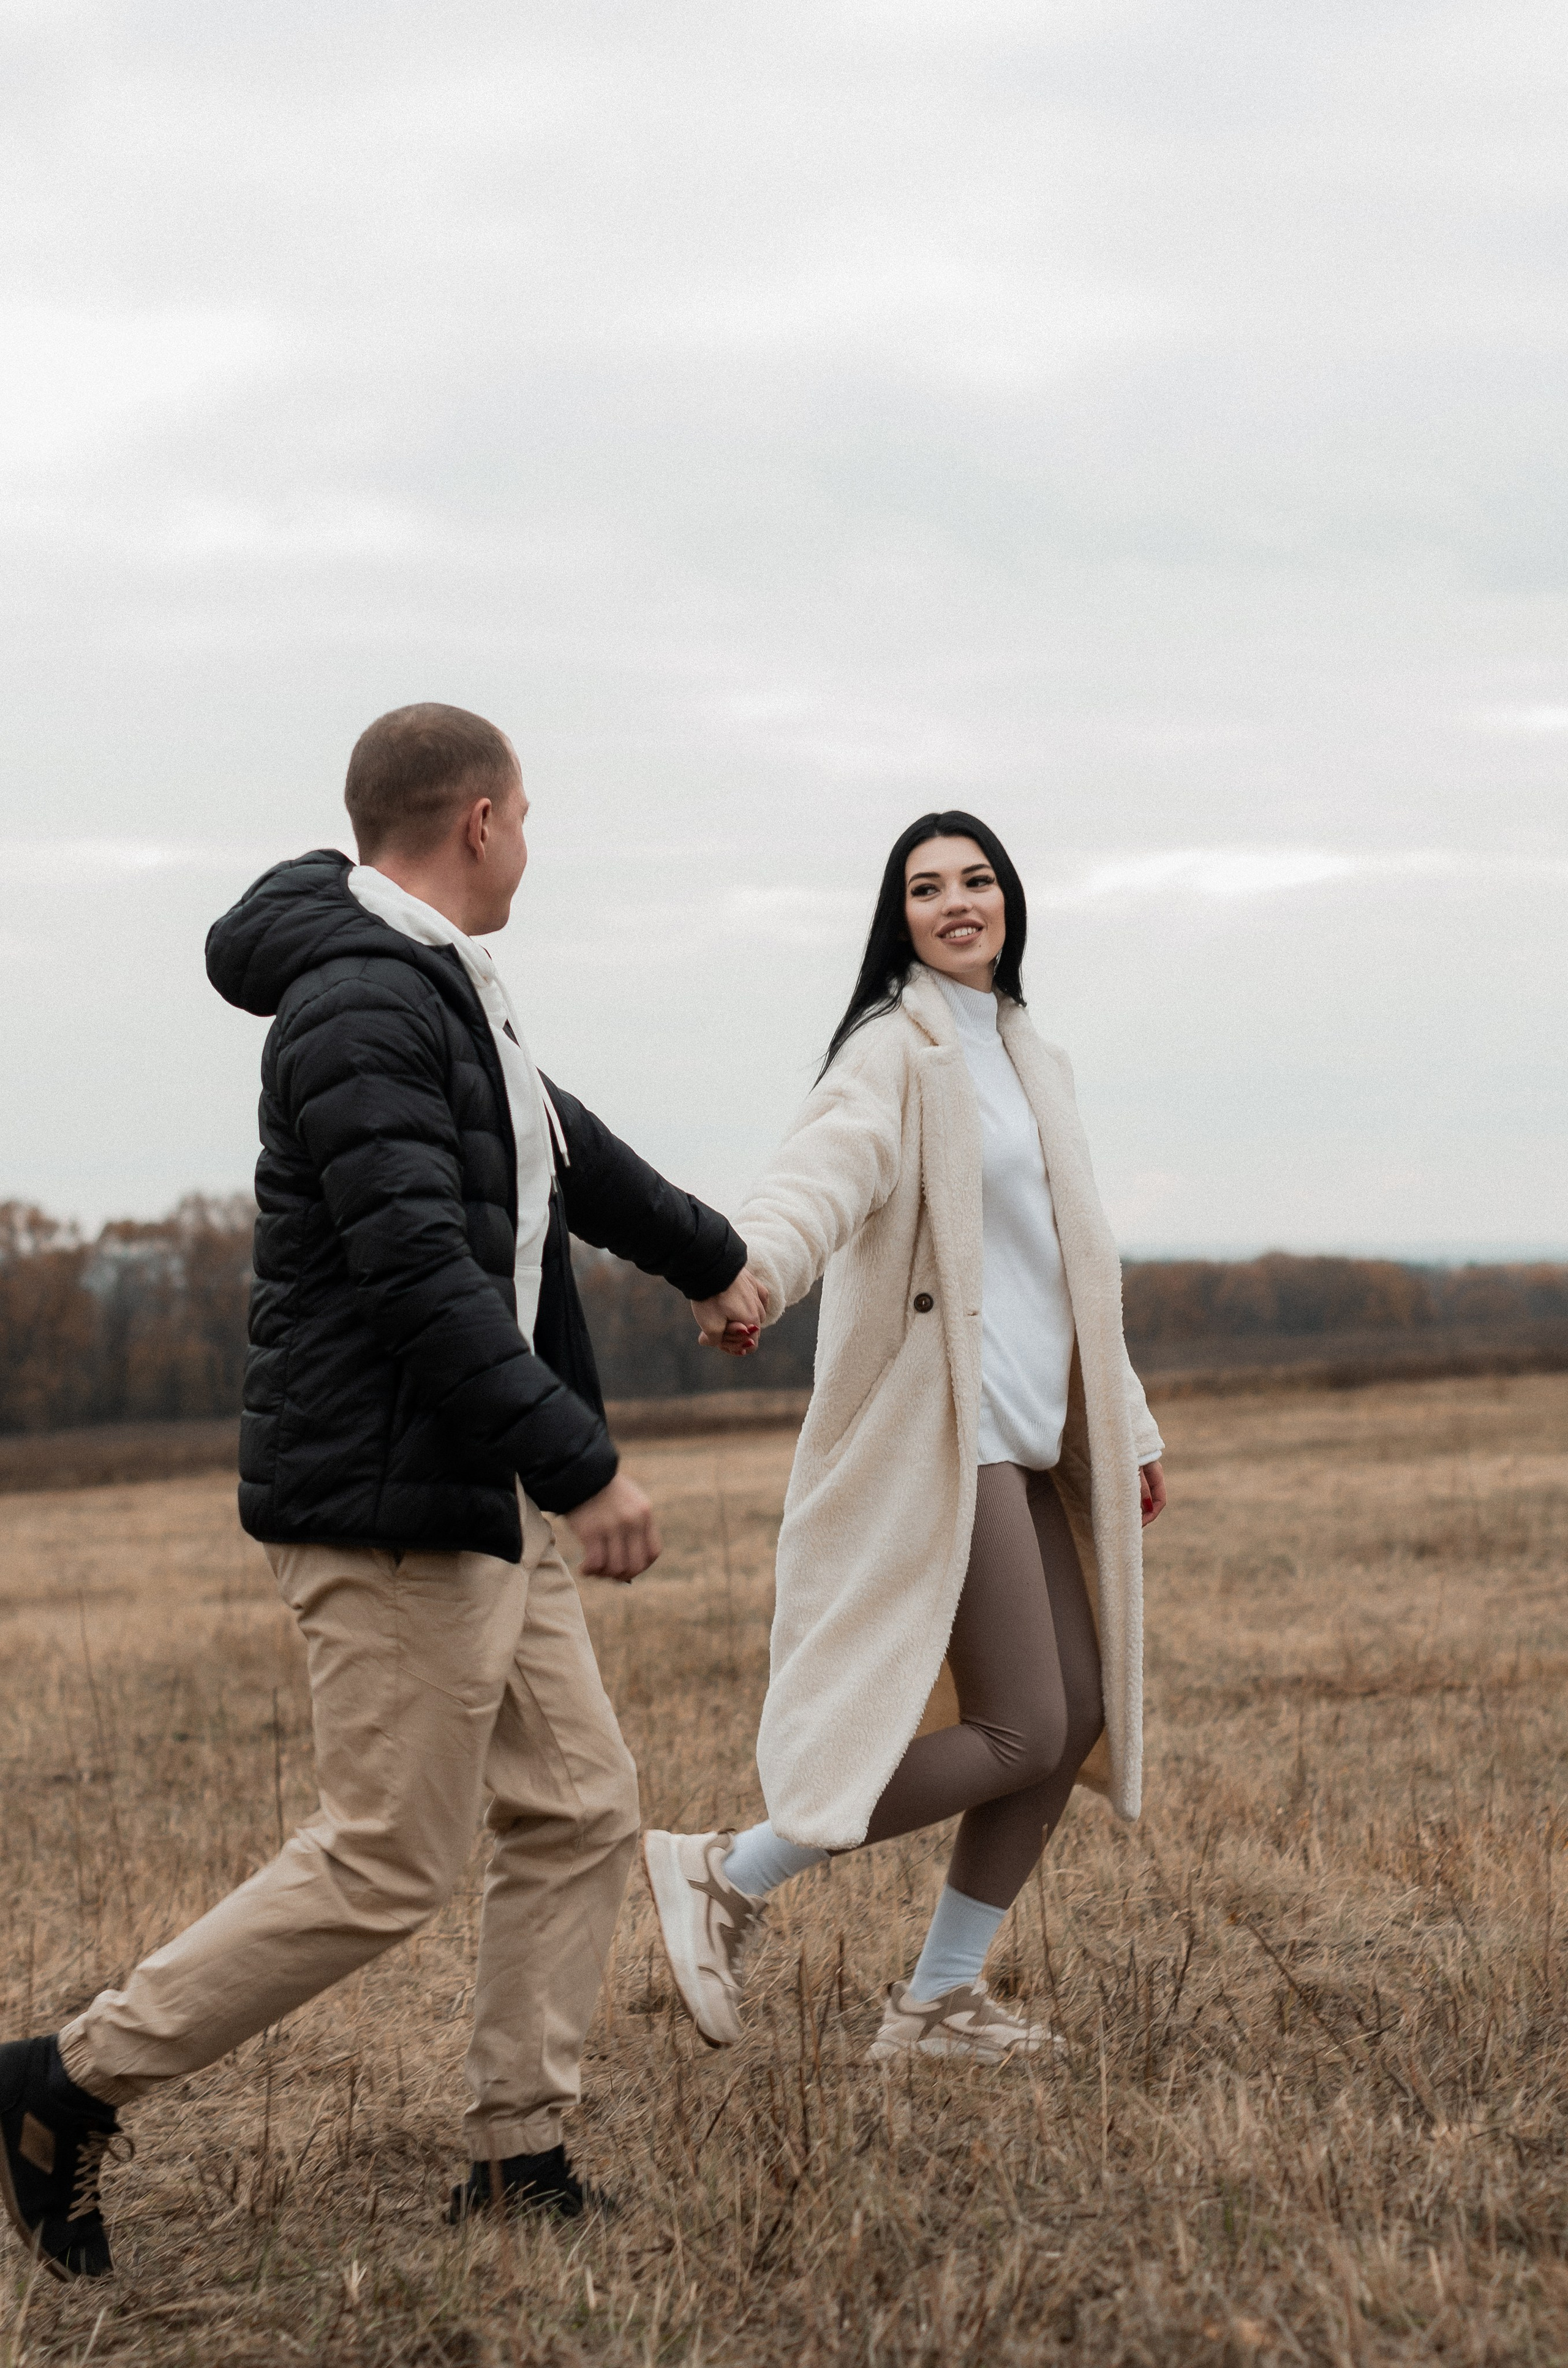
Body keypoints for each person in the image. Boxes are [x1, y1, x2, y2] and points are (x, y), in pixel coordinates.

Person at [0, 703, 766, 2281]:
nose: (532, 846)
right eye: (529, 817)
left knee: (572, 1805)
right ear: (479, 820)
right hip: (397, 1501)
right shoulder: (361, 1002)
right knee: (384, 1858)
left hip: (474, 1490)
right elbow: (417, 1271)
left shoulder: (438, 983)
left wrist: (718, 1259)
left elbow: (565, 1149)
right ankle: (64, 2081)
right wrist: (581, 1458)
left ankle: (515, 2157)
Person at [643, 812, 1166, 2063]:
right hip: (952, 1425)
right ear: (901, 917)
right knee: (1021, 1723)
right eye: (926, 887)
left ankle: (938, 1999)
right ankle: (728, 1866)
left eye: (976, 879)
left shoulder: (1033, 1058)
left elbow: (1078, 1270)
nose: (956, 901)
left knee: (1076, 1708)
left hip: (1038, 1428)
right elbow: (816, 1174)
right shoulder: (897, 1047)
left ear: (1009, 901)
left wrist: (1128, 1427)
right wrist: (750, 1270)